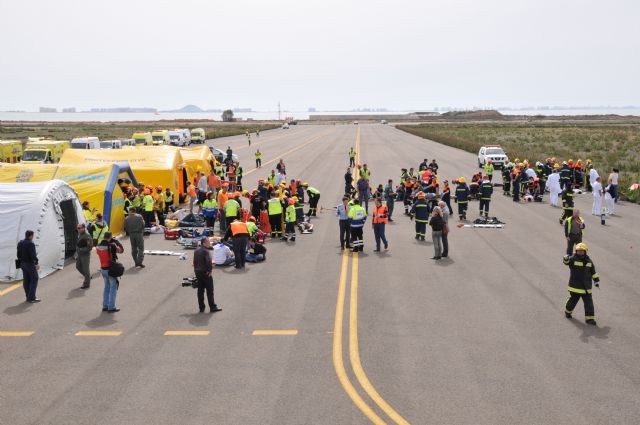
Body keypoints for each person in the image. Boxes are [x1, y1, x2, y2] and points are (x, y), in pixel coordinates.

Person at [563, 243, 600, 325]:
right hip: (575, 287)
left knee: (589, 304)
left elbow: (593, 272)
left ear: (585, 252)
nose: (580, 252)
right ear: (576, 251)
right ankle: (567, 312)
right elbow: (566, 262)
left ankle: (589, 319)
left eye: (581, 251)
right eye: (578, 251)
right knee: (572, 301)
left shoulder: (589, 262)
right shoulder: (573, 259)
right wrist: (565, 258)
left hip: (586, 287)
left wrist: (596, 281)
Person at [96, 232, 123, 313]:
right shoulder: (112, 246)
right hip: (111, 269)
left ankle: (105, 306)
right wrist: (117, 242)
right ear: (110, 237)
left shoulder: (98, 246)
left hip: (103, 269)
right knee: (113, 288)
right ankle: (111, 307)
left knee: (106, 287)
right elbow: (121, 250)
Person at [193, 238, 222, 313]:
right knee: (209, 290)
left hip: (198, 272)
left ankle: (201, 307)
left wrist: (195, 270)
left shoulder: (196, 250)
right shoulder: (206, 251)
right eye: (208, 242)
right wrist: (210, 270)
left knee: (200, 290)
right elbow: (209, 261)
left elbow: (194, 262)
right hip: (205, 272)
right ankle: (212, 307)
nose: (210, 243)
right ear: (204, 243)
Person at [17, 230, 40, 303]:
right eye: (33, 235)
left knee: (26, 280)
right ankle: (31, 298)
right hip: (29, 264)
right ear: (30, 236)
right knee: (34, 279)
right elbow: (33, 255)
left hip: (22, 263)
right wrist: (36, 263)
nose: (33, 237)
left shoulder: (20, 243)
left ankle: (28, 296)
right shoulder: (31, 244)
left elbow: (18, 254)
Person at [76, 223, 93, 289]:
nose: (78, 229)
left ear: (83, 228)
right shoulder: (80, 234)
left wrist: (81, 249)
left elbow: (90, 247)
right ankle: (88, 276)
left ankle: (86, 283)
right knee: (78, 266)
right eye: (77, 228)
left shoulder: (87, 236)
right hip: (79, 254)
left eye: (79, 228)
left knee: (86, 269)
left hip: (85, 255)